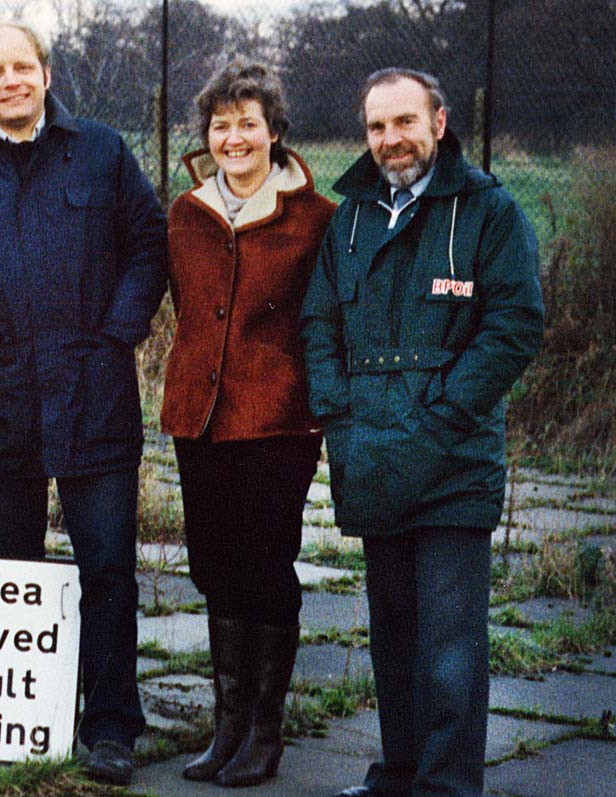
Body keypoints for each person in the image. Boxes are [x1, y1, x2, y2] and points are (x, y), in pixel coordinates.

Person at [0, 21, 166, 786]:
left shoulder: (104, 153)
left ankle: (110, 723)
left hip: (95, 394)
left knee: (107, 566)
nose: (11, 81)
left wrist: (118, 334)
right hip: (0, 396)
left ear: (46, 74)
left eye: (24, 67)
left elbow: (149, 244)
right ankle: (17, 714)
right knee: (9, 563)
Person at [300, 68, 543, 797]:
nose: (390, 139)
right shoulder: (349, 218)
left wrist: (442, 415)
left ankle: (445, 786)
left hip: (452, 460)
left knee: (449, 646)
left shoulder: (489, 212)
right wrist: (337, 412)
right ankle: (396, 772)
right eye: (376, 126)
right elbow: (318, 323)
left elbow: (514, 325)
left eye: (404, 121)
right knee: (394, 636)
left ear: (439, 121)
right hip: (371, 451)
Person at [159, 60, 335, 788]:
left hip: (277, 418)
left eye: (248, 123)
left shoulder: (314, 216)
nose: (234, 138)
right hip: (197, 416)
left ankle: (264, 732)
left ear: (273, 132)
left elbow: (326, 316)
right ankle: (225, 726)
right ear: (207, 135)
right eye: (221, 125)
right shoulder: (185, 213)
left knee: (265, 567)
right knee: (213, 567)